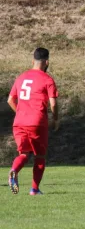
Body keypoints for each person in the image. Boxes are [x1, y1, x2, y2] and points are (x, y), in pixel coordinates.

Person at [7, 48, 59, 195]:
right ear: (47, 62)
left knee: (24, 153)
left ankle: (14, 170)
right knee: (40, 156)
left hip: (19, 122)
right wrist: (55, 119)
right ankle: (34, 189)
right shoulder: (47, 79)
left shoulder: (21, 77)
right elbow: (53, 104)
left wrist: (21, 112)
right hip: (37, 122)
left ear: (33, 61)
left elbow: (10, 100)